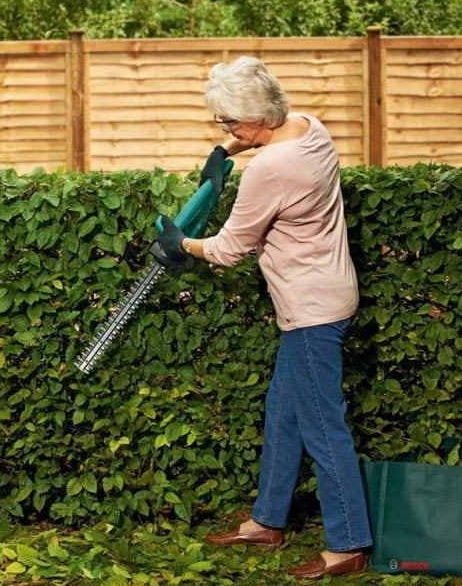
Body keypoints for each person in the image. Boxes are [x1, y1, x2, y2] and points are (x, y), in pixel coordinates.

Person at [155, 56, 372, 579]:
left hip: (310, 311)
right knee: (284, 412)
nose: (226, 130)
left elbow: (230, 249)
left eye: (229, 122)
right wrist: (224, 150)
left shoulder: (271, 169)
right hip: (328, 293)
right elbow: (262, 142)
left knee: (323, 427)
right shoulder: (310, 129)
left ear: (258, 117)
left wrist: (181, 242)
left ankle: (348, 545)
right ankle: (267, 522)